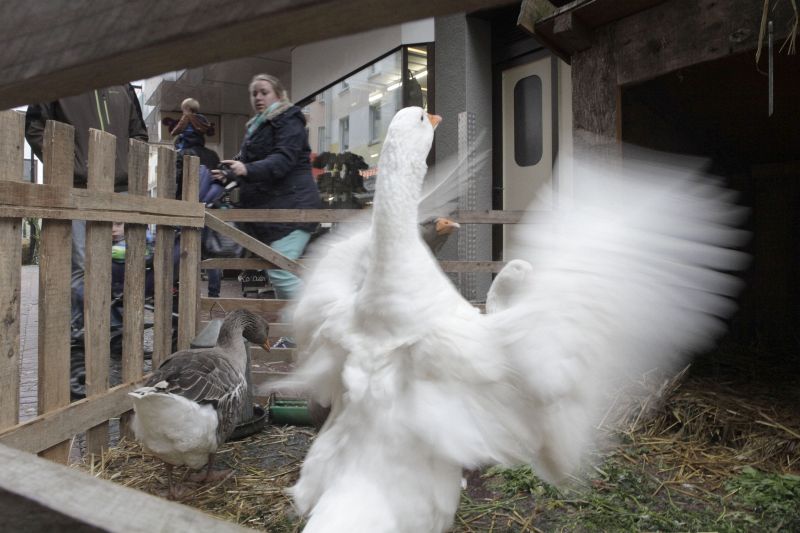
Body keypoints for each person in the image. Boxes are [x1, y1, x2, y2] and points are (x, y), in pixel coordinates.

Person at [25, 84, 149, 398]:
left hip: (119, 189)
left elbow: (139, 133)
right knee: (81, 269)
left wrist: (126, 176)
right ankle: (79, 358)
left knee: (121, 268)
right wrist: (70, 165)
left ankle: (116, 339)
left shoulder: (123, 85)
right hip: (77, 186)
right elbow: (35, 127)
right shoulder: (60, 77)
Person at [211, 73, 321, 348]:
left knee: (281, 271)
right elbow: (253, 165)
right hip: (276, 211)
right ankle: (296, 335)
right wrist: (231, 174)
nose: (258, 97)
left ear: (279, 94)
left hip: (294, 208)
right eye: (254, 93)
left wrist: (246, 169)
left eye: (264, 92)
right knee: (281, 272)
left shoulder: (289, 119)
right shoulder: (258, 126)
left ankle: (317, 322)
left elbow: (283, 160)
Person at [162, 98, 220, 200]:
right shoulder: (213, 155)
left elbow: (174, 180)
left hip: (186, 202)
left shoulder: (182, 154)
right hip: (208, 202)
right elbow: (217, 178)